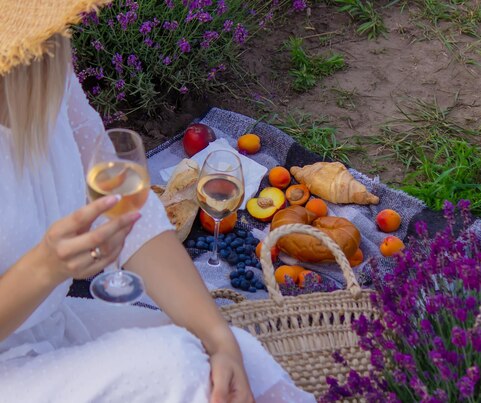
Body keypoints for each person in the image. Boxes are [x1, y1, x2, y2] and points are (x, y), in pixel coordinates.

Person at [0, 1, 316, 402]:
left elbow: (128, 210)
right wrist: (44, 268)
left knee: (231, 354)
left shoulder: (39, 68)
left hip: (49, 329)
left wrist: (217, 337)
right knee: (175, 364)